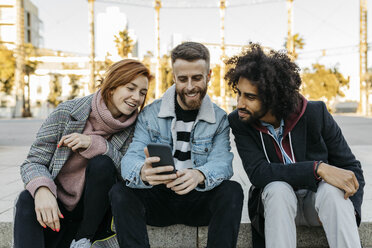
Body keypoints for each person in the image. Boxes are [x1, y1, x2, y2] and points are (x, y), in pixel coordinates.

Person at [226, 44, 365, 248]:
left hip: (317, 206)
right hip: (275, 209)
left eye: (250, 97)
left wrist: (349, 211)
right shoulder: (240, 122)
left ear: (273, 98)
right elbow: (259, 172)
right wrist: (317, 168)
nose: (239, 103)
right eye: (239, 93)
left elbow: (351, 168)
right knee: (277, 188)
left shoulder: (315, 113)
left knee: (332, 191)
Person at [109, 42, 244, 248]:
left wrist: (199, 175)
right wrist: (143, 173)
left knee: (232, 190)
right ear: (174, 78)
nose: (190, 86)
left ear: (209, 76)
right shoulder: (150, 114)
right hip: (158, 199)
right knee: (120, 192)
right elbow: (131, 158)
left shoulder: (219, 118)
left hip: (198, 198)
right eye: (183, 79)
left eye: (197, 78)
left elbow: (223, 163)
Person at [14, 59, 152, 248]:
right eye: (131, 88)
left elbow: (129, 174)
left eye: (142, 93)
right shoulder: (67, 112)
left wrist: (98, 144)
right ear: (112, 87)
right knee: (26, 199)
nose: (137, 97)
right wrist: (43, 189)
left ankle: (82, 241)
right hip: (58, 205)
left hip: (97, 218)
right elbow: (33, 162)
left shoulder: (136, 129)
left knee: (102, 163)